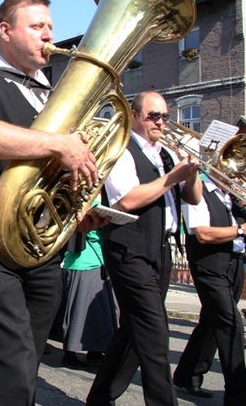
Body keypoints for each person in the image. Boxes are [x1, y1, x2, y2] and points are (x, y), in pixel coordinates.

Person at [0, 0, 101, 404]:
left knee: (25, 363)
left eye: (50, 26)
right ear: (5, 32)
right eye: (37, 26)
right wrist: (57, 145)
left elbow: (57, 171)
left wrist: (81, 206)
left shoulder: (54, 92)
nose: (49, 34)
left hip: (43, 245)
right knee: (12, 360)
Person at [86, 91, 203, 406]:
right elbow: (127, 200)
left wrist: (191, 172)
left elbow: (192, 198)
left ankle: (100, 397)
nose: (161, 122)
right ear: (135, 115)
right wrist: (172, 177)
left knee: (134, 331)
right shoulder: (120, 149)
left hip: (160, 247)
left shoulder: (165, 153)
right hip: (129, 246)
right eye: (154, 116)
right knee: (154, 334)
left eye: (165, 116)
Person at [172, 175, 246, 404]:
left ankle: (187, 374)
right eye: (232, 172)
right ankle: (238, 397)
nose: (236, 177)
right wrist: (243, 230)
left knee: (211, 323)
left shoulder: (231, 197)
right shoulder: (198, 190)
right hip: (209, 265)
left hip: (234, 263)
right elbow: (203, 234)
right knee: (231, 324)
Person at [59, 198, 118, 371]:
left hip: (99, 262)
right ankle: (70, 354)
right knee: (79, 311)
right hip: (83, 262)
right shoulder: (86, 202)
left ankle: (95, 351)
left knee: (100, 314)